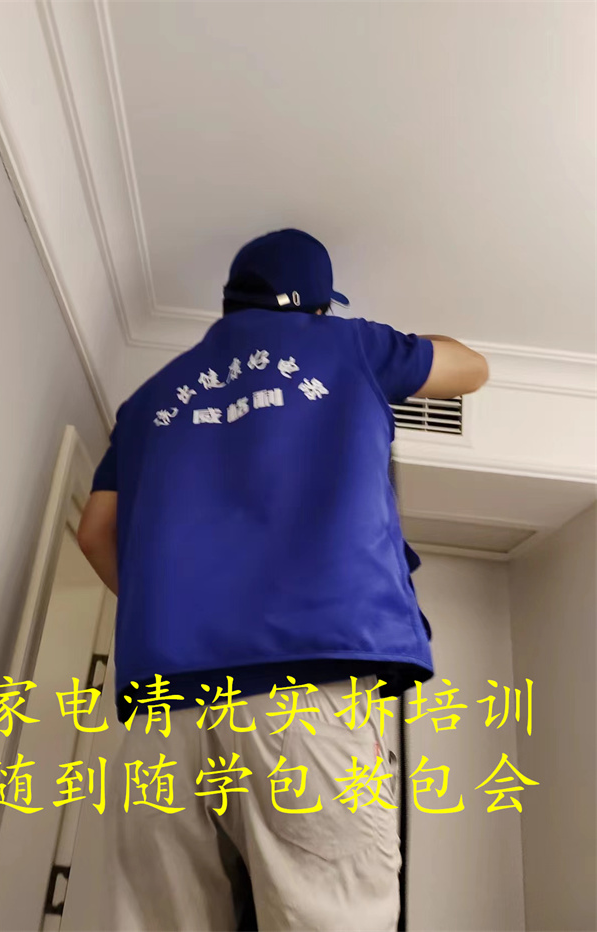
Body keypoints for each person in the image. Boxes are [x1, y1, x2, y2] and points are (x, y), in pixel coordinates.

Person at [78, 229, 489, 931]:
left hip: (164, 717)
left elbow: (94, 531)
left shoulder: (147, 403)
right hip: (302, 699)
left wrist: (185, 612)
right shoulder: (348, 345)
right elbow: (471, 368)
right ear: (318, 307)